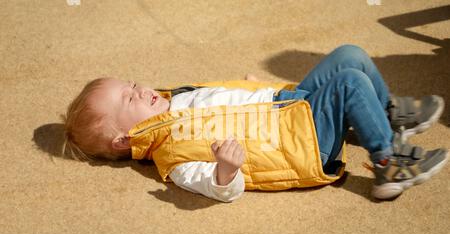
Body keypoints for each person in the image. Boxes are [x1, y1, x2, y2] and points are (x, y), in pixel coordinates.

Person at [62, 44, 447, 202]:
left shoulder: (175, 96)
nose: (139, 88)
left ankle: (386, 114)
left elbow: (223, 100)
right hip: (300, 144)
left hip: (284, 106)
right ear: (122, 140)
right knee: (348, 83)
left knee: (350, 55)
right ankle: (387, 164)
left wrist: (256, 91)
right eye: (129, 98)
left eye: (131, 83)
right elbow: (213, 186)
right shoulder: (171, 155)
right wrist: (226, 171)